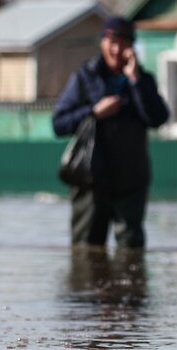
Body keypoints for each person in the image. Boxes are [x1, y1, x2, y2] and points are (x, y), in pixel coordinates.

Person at [52, 16, 169, 249]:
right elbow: (59, 123)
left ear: (132, 47)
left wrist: (135, 82)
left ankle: (128, 287)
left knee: (131, 250)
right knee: (87, 252)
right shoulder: (85, 77)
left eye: (124, 43)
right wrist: (94, 112)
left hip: (131, 179)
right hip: (90, 179)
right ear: (102, 42)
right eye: (112, 42)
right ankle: (90, 288)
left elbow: (158, 118)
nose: (117, 49)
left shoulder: (143, 80)